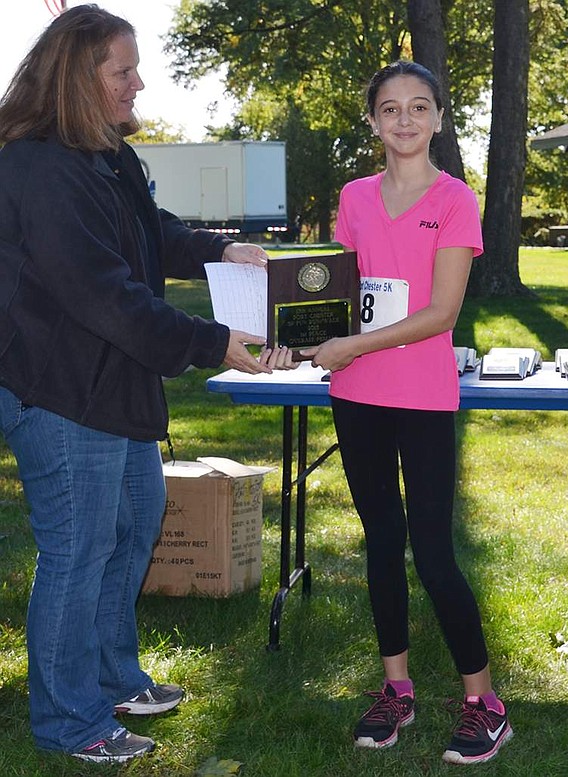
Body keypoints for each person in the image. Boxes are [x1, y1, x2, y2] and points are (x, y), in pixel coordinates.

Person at [0, 4, 293, 764]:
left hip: (115, 385)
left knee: (133, 524)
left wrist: (220, 246)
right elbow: (104, 293)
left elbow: (150, 232)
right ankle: (70, 719)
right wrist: (212, 343)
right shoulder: (36, 165)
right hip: (62, 392)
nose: (139, 83)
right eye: (123, 70)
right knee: (79, 547)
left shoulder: (105, 154)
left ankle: (112, 676)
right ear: (78, 77)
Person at [301, 61, 513, 765]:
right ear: (372, 122)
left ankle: (484, 702)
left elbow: (441, 312)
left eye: (419, 107)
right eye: (389, 108)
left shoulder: (456, 198)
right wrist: (303, 337)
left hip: (421, 397)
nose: (404, 120)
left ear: (439, 119)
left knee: (433, 553)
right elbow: (344, 287)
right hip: (354, 394)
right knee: (381, 542)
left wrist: (353, 341)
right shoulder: (355, 196)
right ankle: (398, 689)